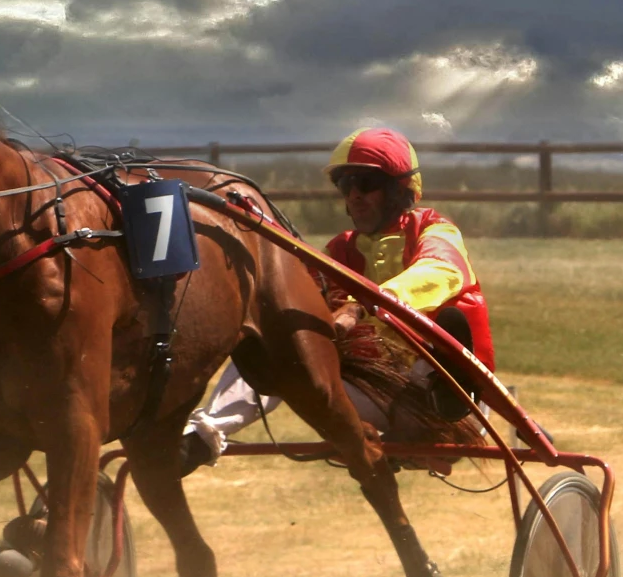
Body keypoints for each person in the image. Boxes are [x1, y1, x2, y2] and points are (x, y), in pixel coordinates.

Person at [182, 127, 492, 471]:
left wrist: (360, 307)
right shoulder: (339, 250)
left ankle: (446, 405)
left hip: (448, 402)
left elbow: (442, 272)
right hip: (377, 397)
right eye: (346, 186)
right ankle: (201, 437)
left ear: (400, 189)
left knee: (448, 330)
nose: (354, 196)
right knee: (279, 343)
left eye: (366, 183)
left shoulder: (434, 229)